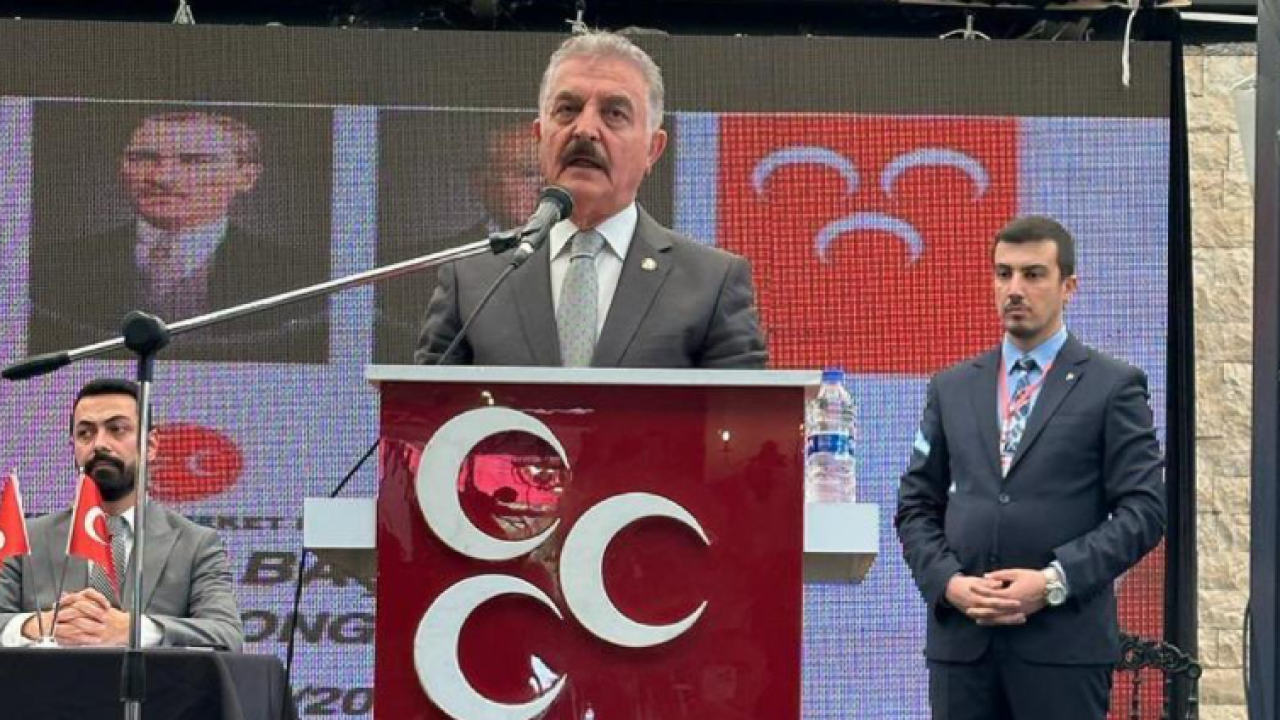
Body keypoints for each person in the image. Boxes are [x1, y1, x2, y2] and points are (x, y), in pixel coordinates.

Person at [894, 216, 1165, 719]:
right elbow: (915, 507)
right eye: (1004, 274)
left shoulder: (1113, 386)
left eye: (1033, 274)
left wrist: (1054, 581)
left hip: (1063, 651)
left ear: (1068, 287)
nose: (1015, 289)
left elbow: (1145, 511)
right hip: (963, 649)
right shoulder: (951, 387)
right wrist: (949, 583)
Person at [415, 30, 768, 368]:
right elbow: (424, 407)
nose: (584, 129)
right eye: (567, 109)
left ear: (653, 149)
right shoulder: (471, 280)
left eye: (614, 113)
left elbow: (743, 410)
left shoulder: (711, 283)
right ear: (540, 137)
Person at [27, 110, 328, 363]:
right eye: (143, 158)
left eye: (194, 161)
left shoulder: (305, 278)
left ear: (246, 176)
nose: (162, 178)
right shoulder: (48, 268)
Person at [0, 378, 244, 651]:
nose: (99, 444)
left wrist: (132, 630)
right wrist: (35, 626)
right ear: (74, 447)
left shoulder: (195, 544)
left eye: (117, 429)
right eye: (85, 433)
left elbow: (227, 636)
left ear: (150, 445)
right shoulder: (25, 538)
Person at [375, 119, 544, 362]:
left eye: (554, 174)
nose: (543, 186)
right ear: (481, 183)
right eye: (529, 173)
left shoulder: (583, 259)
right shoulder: (422, 268)